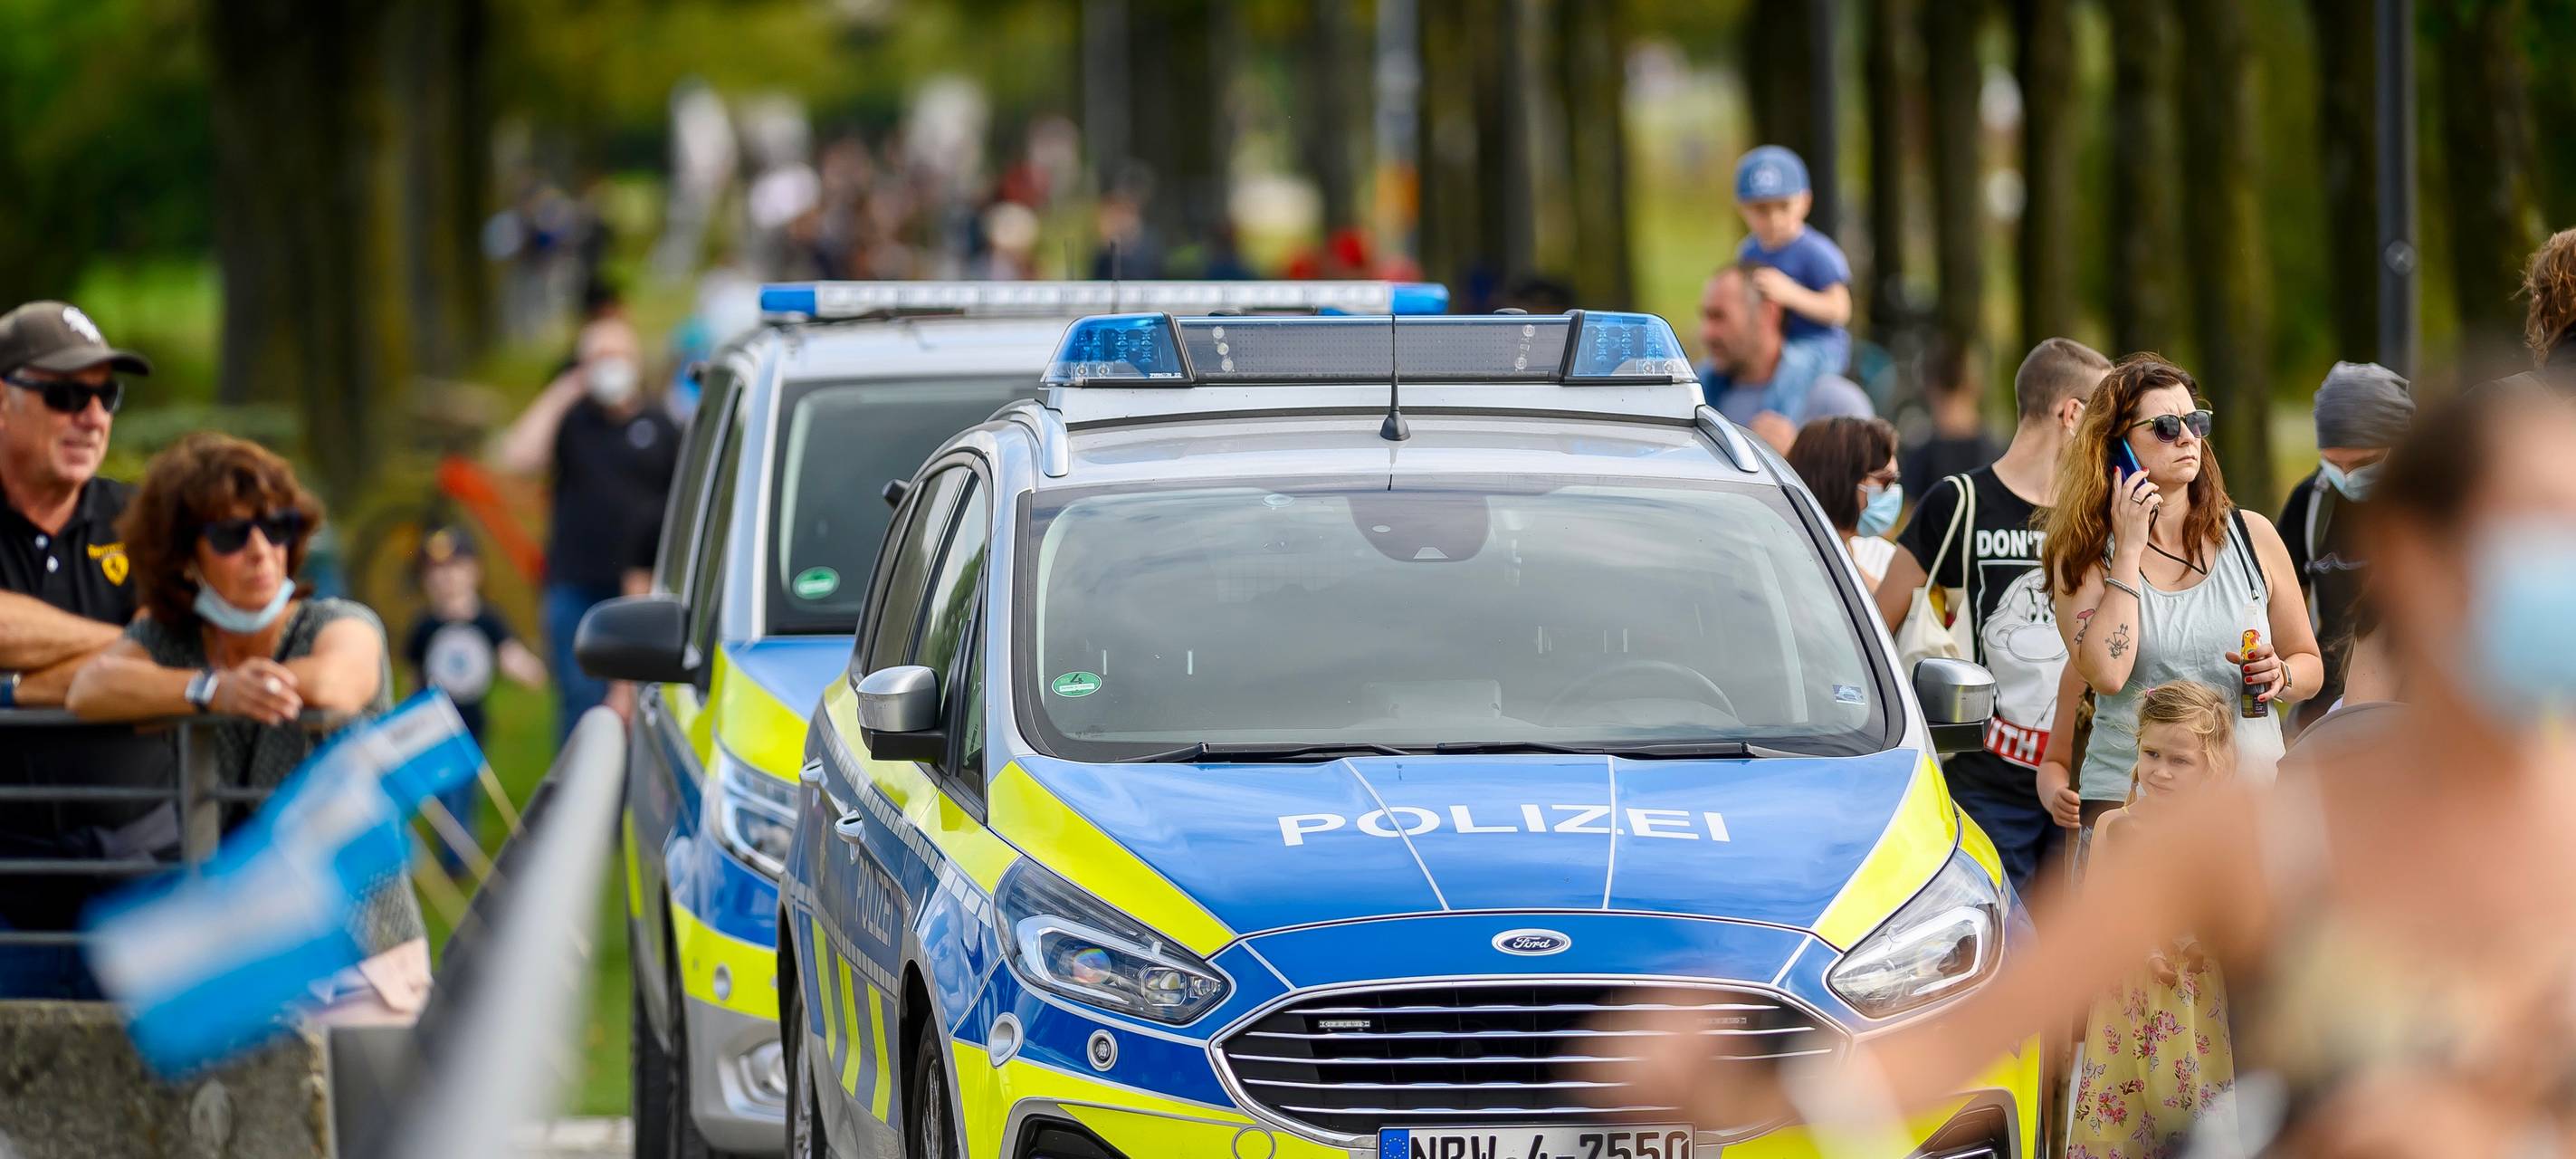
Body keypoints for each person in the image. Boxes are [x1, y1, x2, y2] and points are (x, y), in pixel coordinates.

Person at [1607, 378, 2576, 1156]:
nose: (2559, 562)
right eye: (2533, 524)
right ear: (2410, 553)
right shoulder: (2257, 838)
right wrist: (1745, 1088)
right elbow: (1979, 1029)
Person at [67, 433, 425, 1007]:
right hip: (244, 962)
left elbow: (336, 683)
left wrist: (246, 685)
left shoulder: (338, 621)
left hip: (361, 955)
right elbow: (92, 687)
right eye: (231, 536)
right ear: (185, 558)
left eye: (275, 526)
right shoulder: (171, 640)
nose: (261, 550)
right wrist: (212, 690)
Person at [1875, 337, 2110, 892]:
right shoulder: (1958, 502)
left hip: (2083, 780)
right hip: (1982, 783)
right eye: (2104, 418)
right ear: (2072, 414)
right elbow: (1881, 621)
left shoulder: (2101, 515)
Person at [2042, 354, 2319, 791]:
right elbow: (2108, 674)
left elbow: (2310, 665)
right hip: (2133, 809)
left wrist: (2280, 674)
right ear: (2117, 446)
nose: (2188, 438)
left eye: (2196, 422)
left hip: (2248, 805)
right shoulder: (2084, 551)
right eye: (2167, 428)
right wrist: (2129, 547)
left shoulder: (2253, 535)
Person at [0, 301, 170, 998]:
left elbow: (191, 656)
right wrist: (130, 646)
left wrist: (25, 671)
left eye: (107, 395)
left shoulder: (148, 521)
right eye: (66, 395)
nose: (93, 416)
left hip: (148, 889)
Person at [2063, 681, 2238, 1156]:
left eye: (2180, 761)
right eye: (2152, 754)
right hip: (2122, 996)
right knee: (2120, 1108)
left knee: (2187, 1106)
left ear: (2212, 767)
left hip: (2190, 997)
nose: (2161, 772)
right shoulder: (2114, 827)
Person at [495, 316, 679, 744]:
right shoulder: (573, 422)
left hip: (641, 593)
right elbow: (518, 457)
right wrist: (566, 388)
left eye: (615, 356)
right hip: (575, 588)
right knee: (581, 706)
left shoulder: (661, 425)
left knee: (641, 708)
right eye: (597, 358)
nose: (608, 366)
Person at [2275, 361, 2411, 735]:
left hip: (2417, 704)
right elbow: (2278, 604)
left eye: (2366, 462)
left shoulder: (2429, 508)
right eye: (2334, 464)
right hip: (2327, 704)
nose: (2348, 477)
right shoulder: (2312, 502)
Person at [400, 526, 543, 865]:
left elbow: (508, 654)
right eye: (435, 572)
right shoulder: (424, 626)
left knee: (466, 785)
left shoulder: (488, 620)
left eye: (454, 569)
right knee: (444, 788)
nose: (445, 579)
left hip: (472, 723)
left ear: (474, 572)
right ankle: (454, 854)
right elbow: (413, 675)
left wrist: (530, 670)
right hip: (434, 725)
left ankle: (460, 852)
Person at [1697, 260, 1875, 453]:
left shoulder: (1836, 406)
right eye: (1705, 317)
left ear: (1767, 313)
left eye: (1719, 317)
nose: (1706, 333)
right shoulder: (1696, 397)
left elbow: (1869, 480)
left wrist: (1794, 458)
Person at [1732, 145, 1853, 378]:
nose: (1774, 219)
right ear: (1743, 209)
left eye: (1784, 206)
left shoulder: (1816, 251)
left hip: (1817, 345)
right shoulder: (1748, 251)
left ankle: (1775, 416)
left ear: (1804, 202)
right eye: (1761, 209)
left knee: (1793, 366)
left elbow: (1839, 309)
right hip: (1772, 342)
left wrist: (1789, 293)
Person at [1785, 417, 1902, 592]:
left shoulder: (1883, 557)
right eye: (1885, 480)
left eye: (1895, 480)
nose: (1893, 491)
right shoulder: (1779, 563)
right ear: (1841, 481)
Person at [1899, 334, 2004, 503]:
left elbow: (1908, 522)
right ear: (1975, 385)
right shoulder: (1999, 455)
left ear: (1929, 386)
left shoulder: (1918, 459)